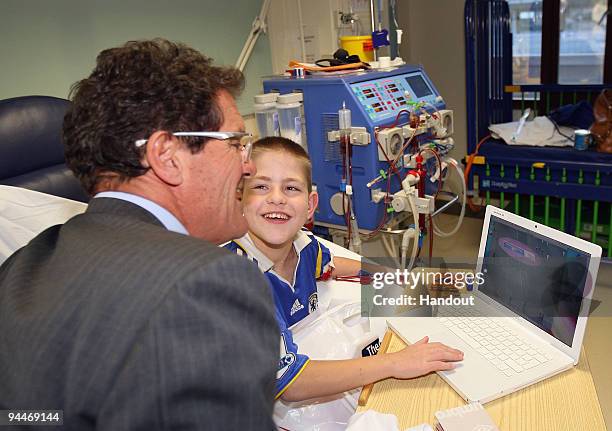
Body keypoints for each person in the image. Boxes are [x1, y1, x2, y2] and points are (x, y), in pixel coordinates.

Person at [0, 39, 278, 430]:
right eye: (236, 143)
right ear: (167, 156)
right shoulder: (205, 282)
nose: (249, 167)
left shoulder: (24, 266)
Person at [225, 136, 463, 404]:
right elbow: (291, 383)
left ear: (310, 206)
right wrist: (395, 363)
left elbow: (332, 265)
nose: (277, 198)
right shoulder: (239, 278)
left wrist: (396, 277)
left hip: (305, 344)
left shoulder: (303, 245)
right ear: (240, 198)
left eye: (291, 188)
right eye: (261, 186)